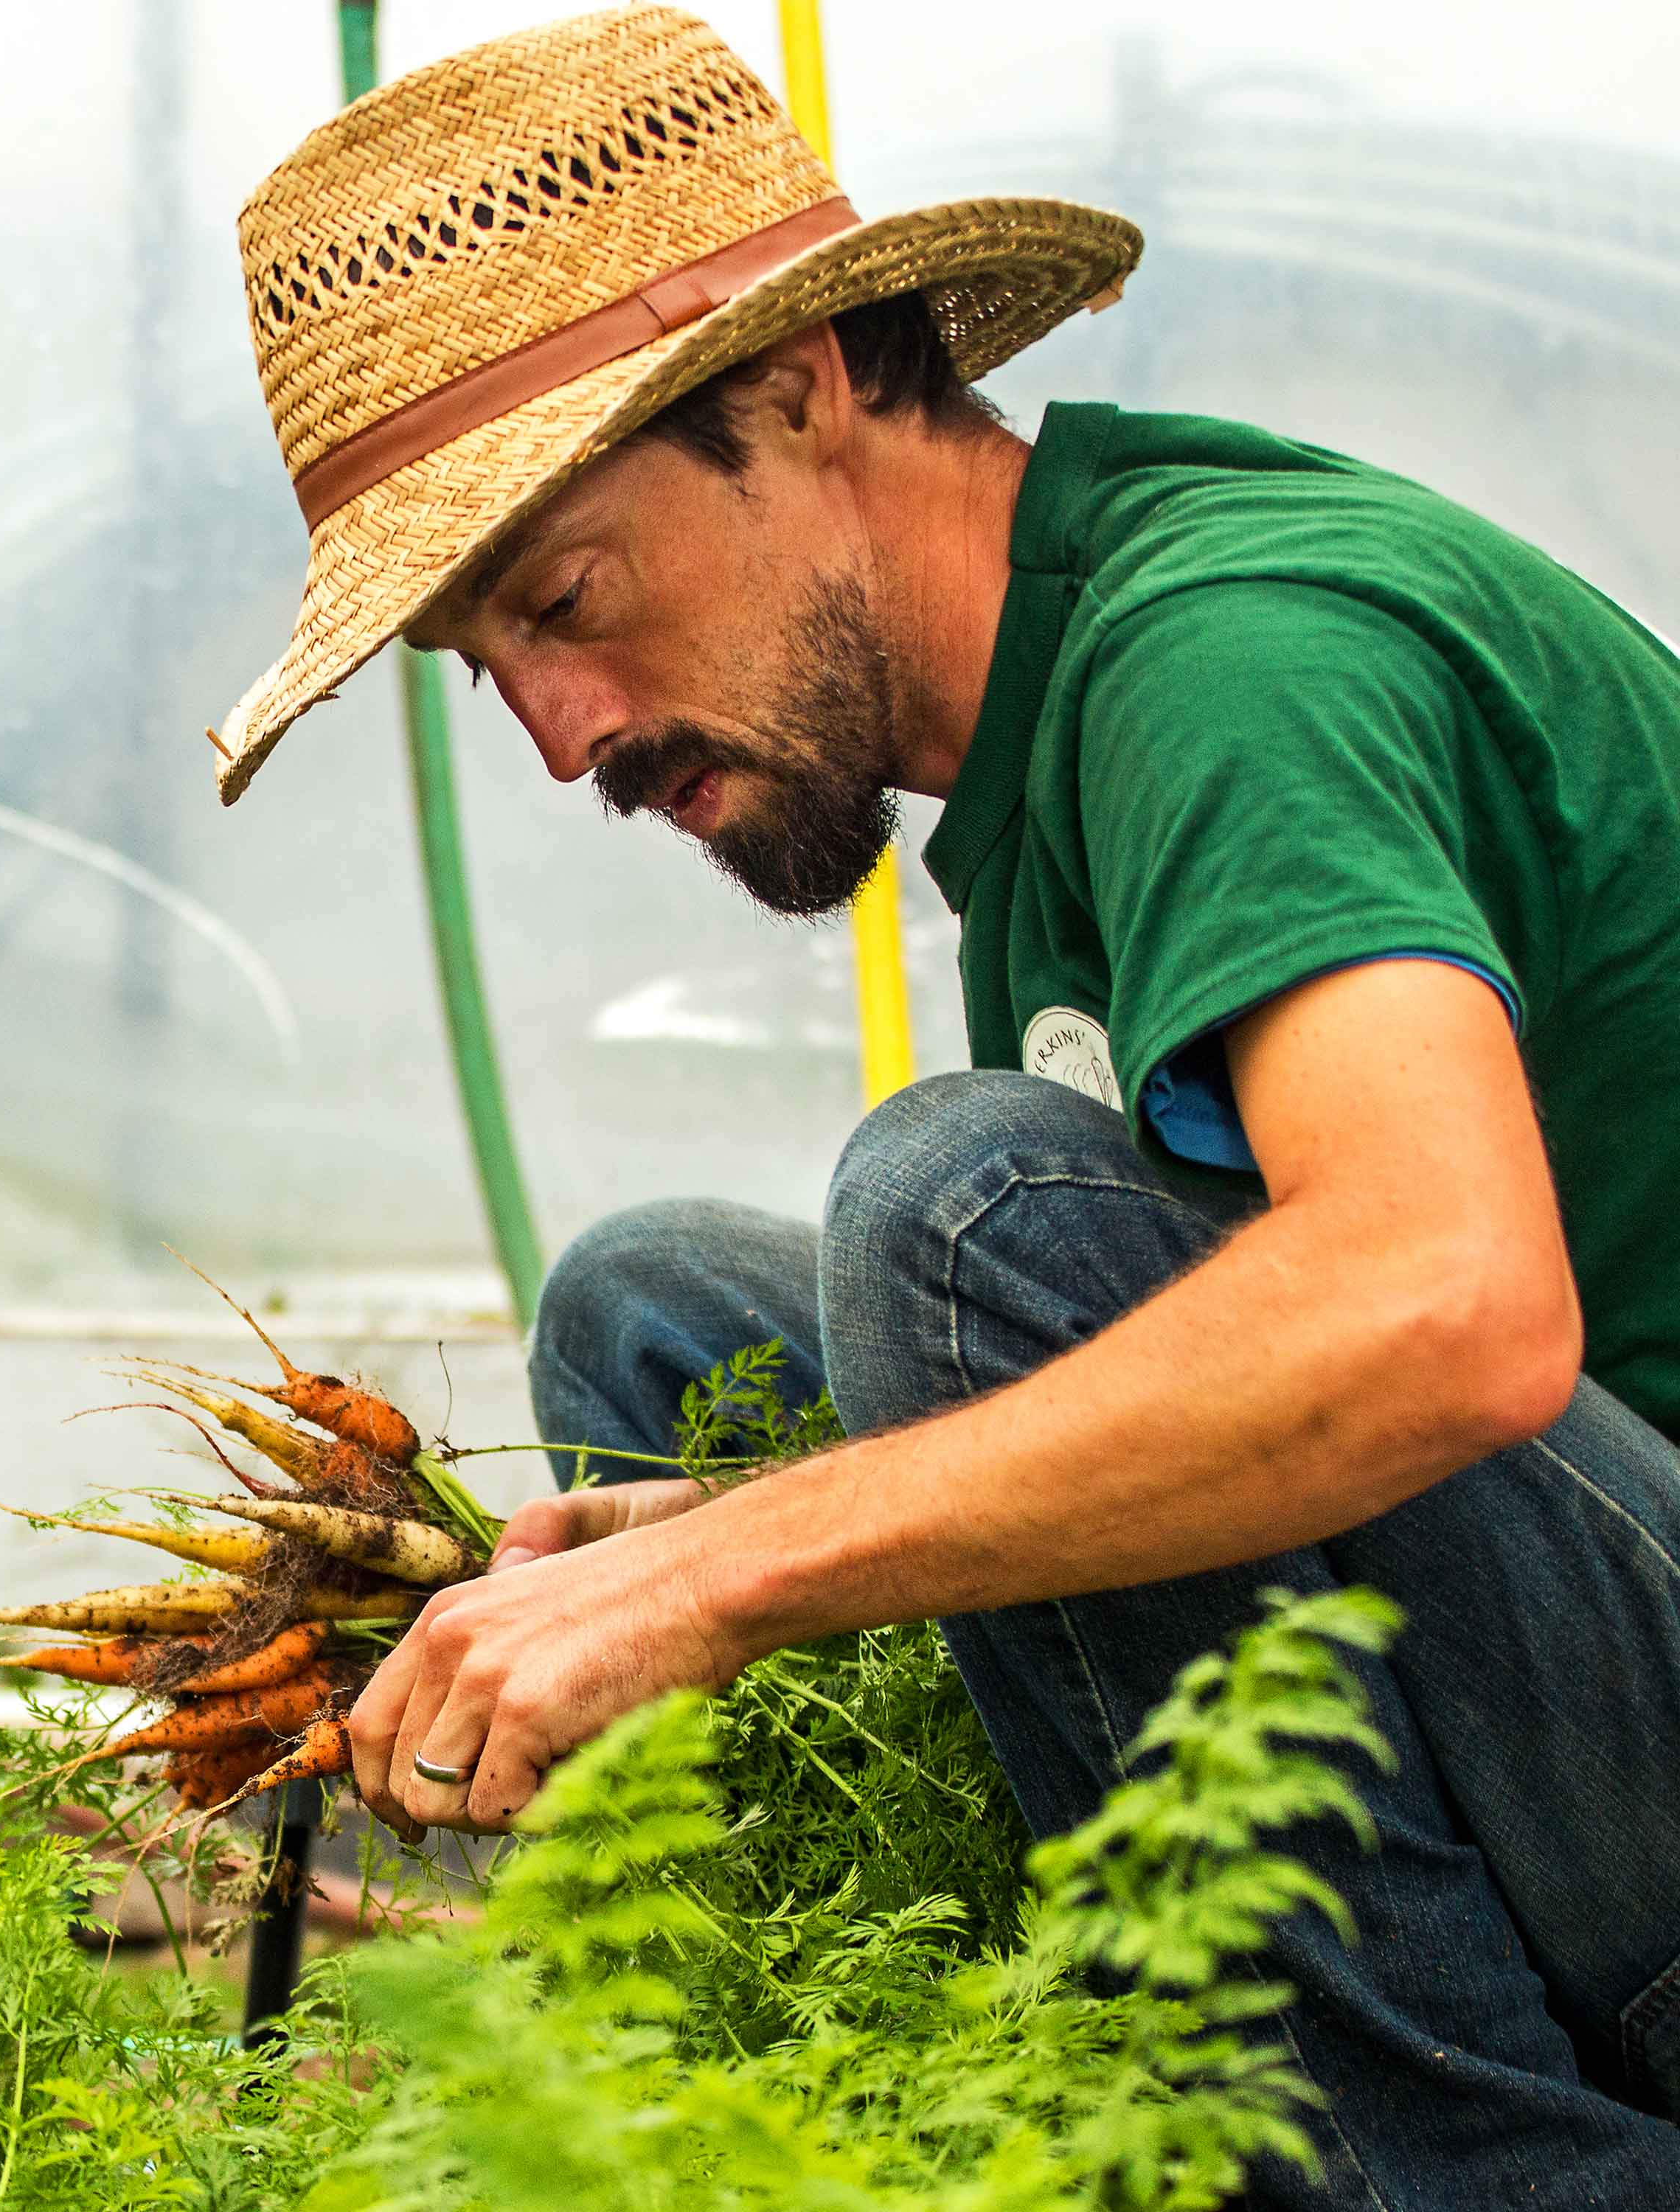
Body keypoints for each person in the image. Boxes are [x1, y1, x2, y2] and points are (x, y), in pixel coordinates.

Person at [211, 10, 1680, 2202]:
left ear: (800, 393)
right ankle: (894, 2041)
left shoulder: (1227, 663)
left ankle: (1464, 2161)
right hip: (1561, 1676)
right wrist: (726, 1527)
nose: (559, 739)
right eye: (487, 667)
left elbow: (1455, 1302)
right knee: (661, 1324)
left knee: (961, 1217)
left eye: (566, 602)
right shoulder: (1044, 726)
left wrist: (721, 1587)